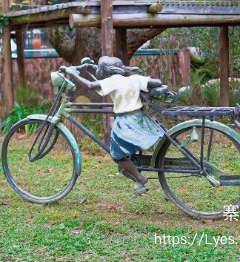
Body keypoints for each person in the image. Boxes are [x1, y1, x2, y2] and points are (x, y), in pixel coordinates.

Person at [60, 56, 165, 195]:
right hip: (140, 118)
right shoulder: (133, 78)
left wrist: (72, 73)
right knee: (122, 148)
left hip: (126, 122)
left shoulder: (113, 81)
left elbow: (91, 85)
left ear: (105, 72)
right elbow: (157, 82)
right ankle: (135, 173)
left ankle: (140, 179)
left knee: (116, 155)